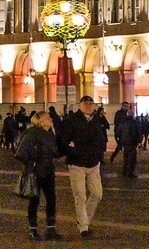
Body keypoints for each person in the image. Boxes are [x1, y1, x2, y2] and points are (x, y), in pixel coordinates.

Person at [59, 96, 108, 237]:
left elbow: (101, 138)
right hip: (77, 163)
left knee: (97, 194)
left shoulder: (96, 120)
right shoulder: (71, 120)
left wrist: (100, 153)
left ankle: (83, 219)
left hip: (93, 163)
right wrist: (71, 152)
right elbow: (63, 140)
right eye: (85, 103)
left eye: (90, 103)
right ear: (79, 105)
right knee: (80, 195)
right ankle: (84, 227)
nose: (88, 105)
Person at [17, 108, 61, 240]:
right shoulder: (31, 133)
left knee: (51, 200)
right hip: (35, 172)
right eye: (48, 118)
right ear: (41, 122)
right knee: (34, 200)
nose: (51, 119)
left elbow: (54, 151)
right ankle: (33, 229)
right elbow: (21, 153)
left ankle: (50, 228)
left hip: (48, 170)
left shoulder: (49, 133)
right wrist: (32, 163)